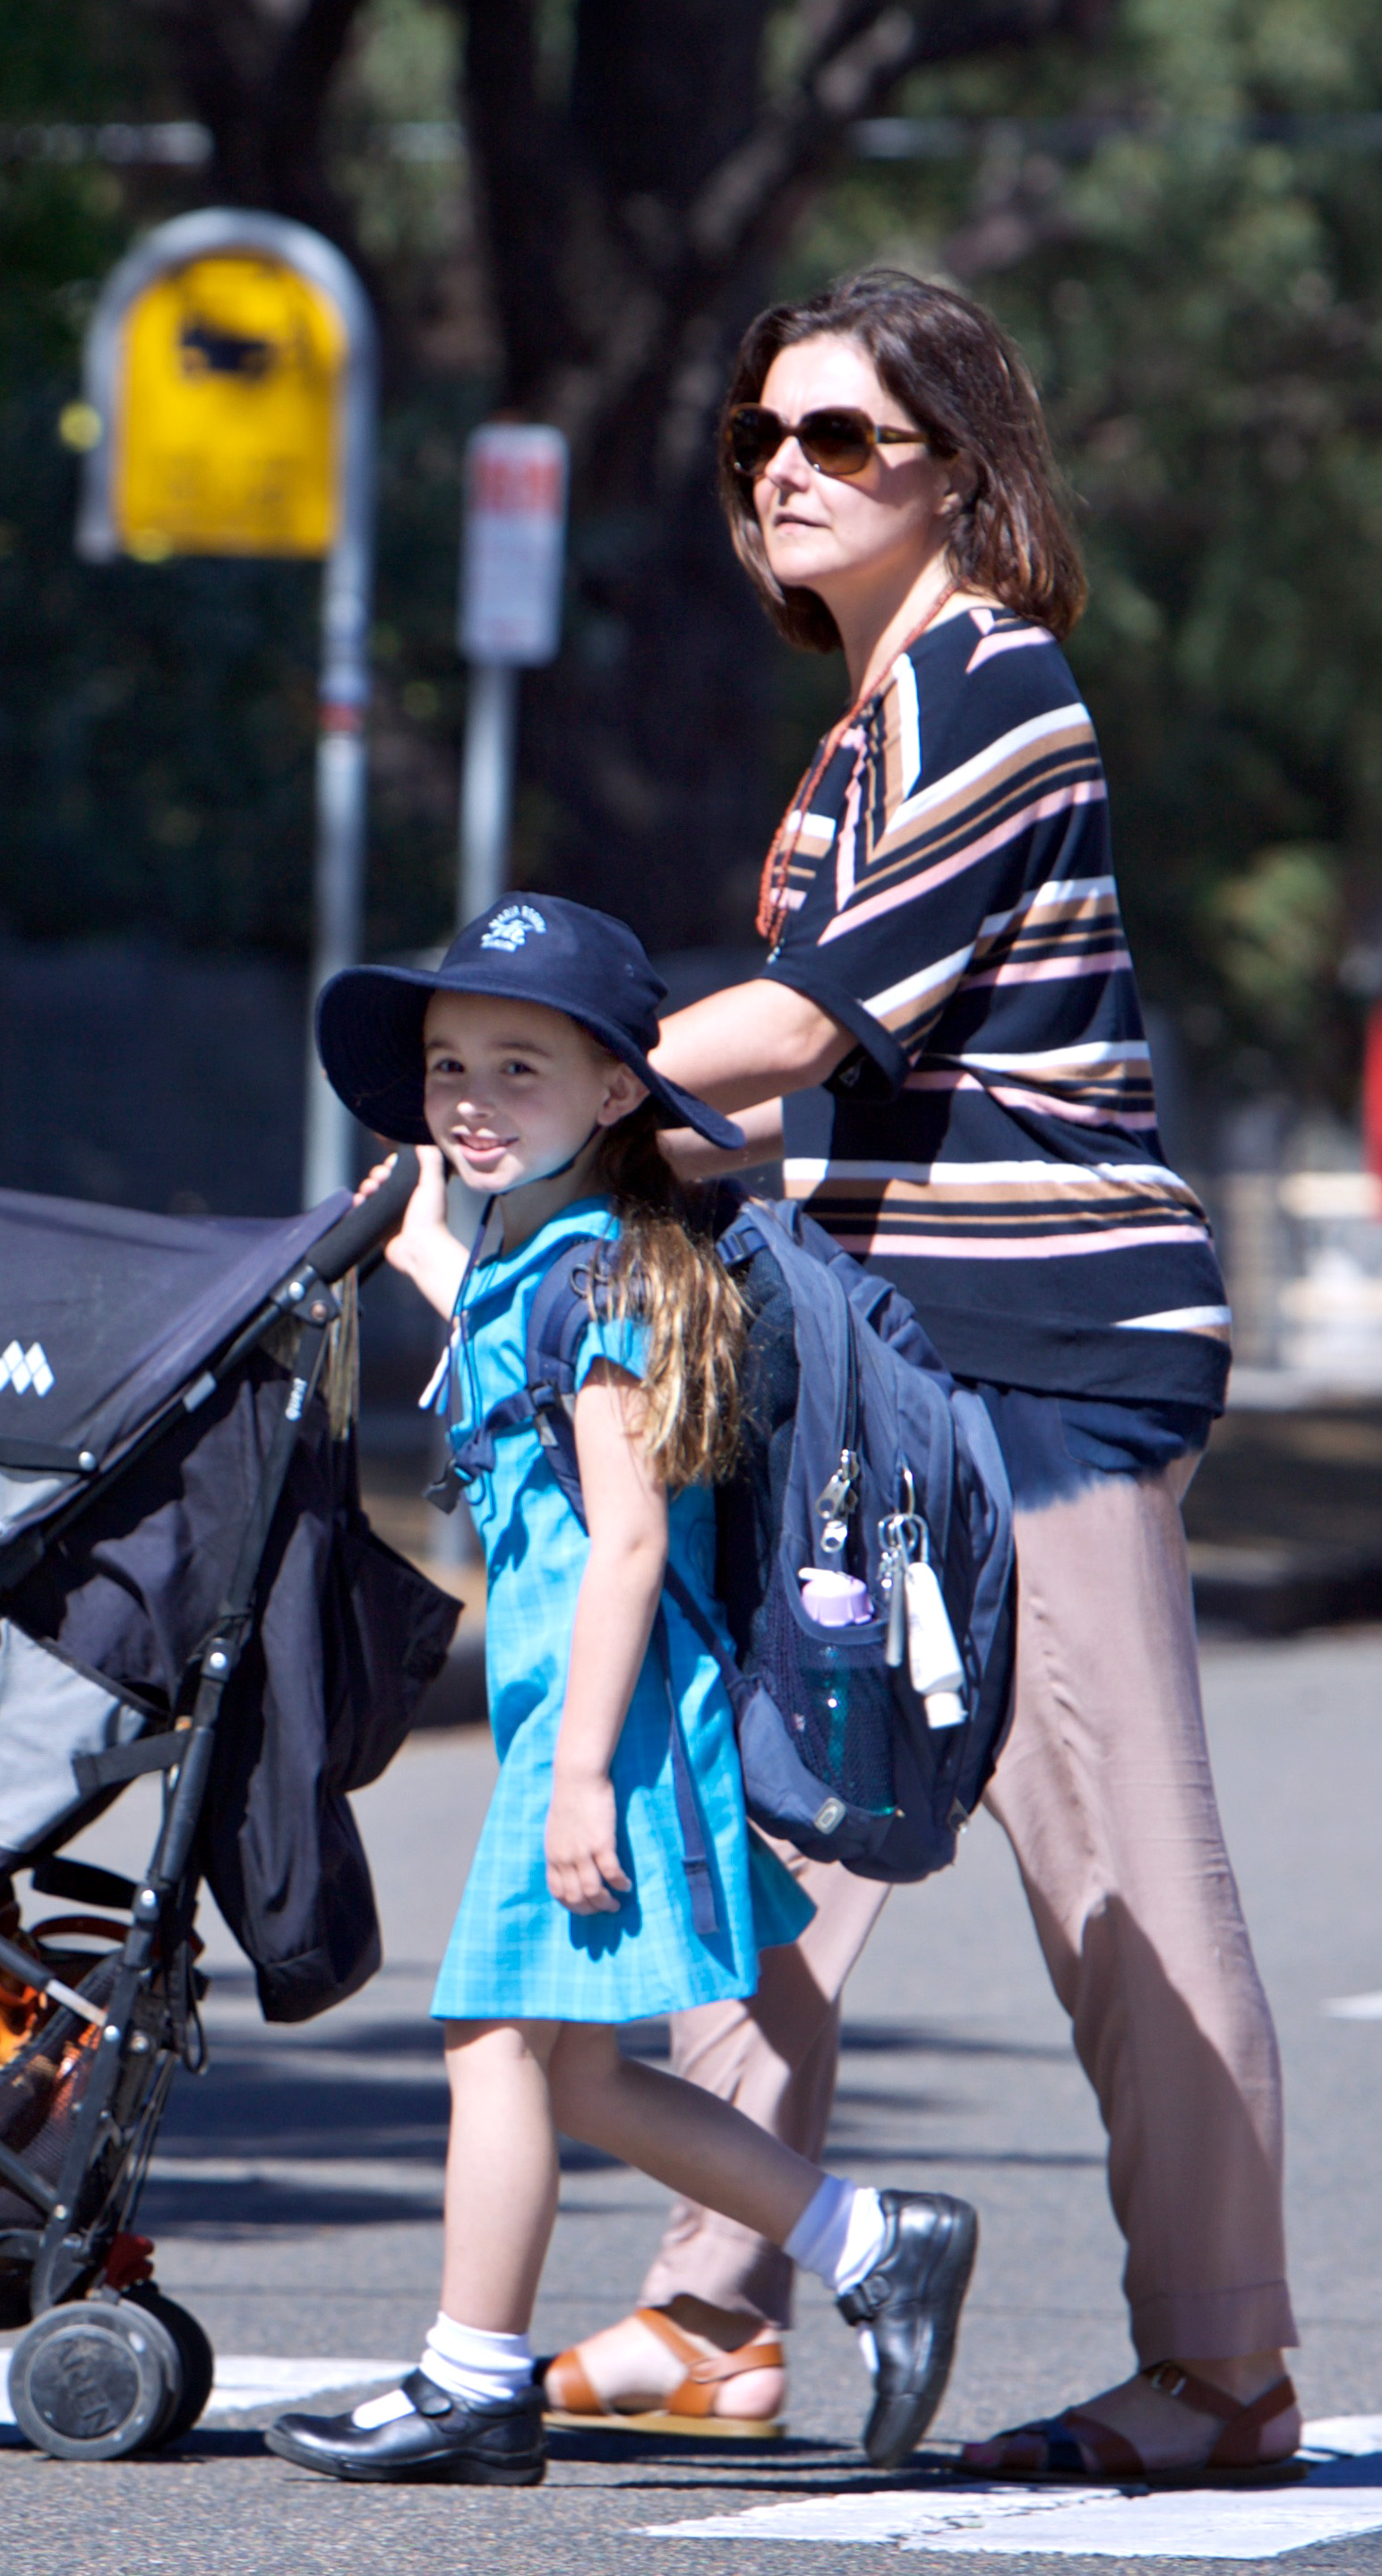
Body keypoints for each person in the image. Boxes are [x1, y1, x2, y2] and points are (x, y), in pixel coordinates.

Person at [541, 269, 1303, 2486]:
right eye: (756, 437)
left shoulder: (993, 688)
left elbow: (796, 1025)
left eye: (840, 437)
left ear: (962, 469)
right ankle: (707, 2307)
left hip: (1041, 1365)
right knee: (775, 1835)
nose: (780, 467)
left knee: (1120, 1885)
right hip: (884, 1369)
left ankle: (1223, 2369)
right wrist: (618, 1141)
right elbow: (830, 1091)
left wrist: (516, 1098)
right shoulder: (866, 725)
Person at [259, 902, 978, 2491]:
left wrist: (580, 1771)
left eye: (518, 1066)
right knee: (571, 2063)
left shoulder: (607, 1285)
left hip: (611, 1721)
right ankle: (872, 2235)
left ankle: (470, 2377)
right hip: (577, 1715)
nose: (469, 1096)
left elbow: (632, 1534)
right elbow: (507, 1371)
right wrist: (421, 1246)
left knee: (487, 2039)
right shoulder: (541, 1264)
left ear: (610, 1097)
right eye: (450, 1065)